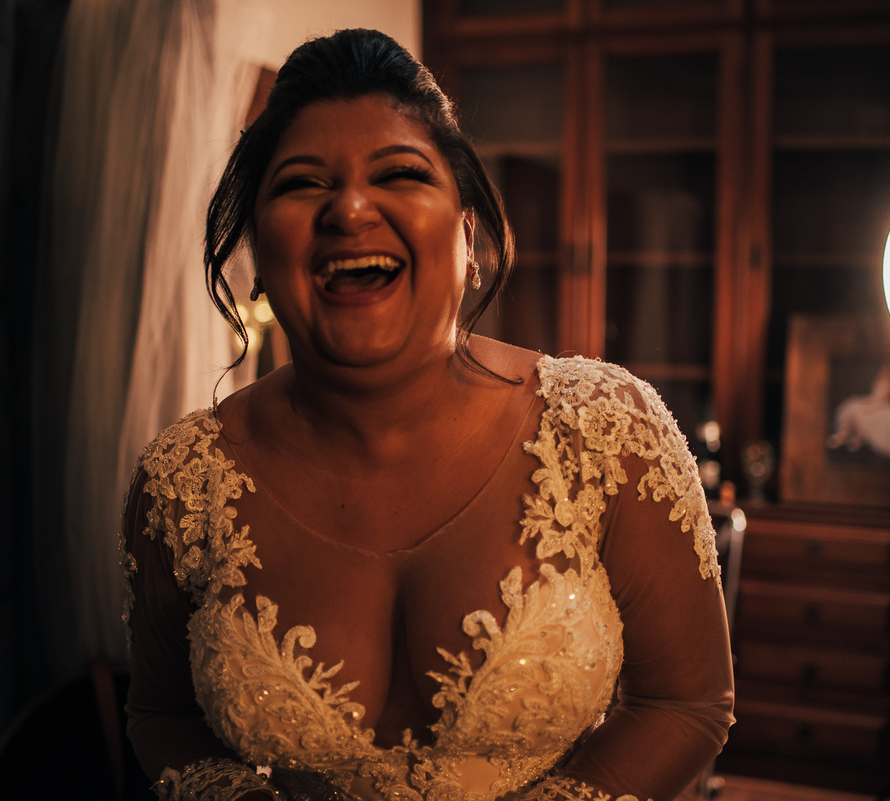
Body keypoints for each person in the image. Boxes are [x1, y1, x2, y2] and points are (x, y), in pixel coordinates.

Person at [120, 28, 734, 801]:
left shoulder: (610, 434)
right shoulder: (181, 483)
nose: (349, 208)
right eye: (302, 183)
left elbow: (685, 702)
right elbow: (160, 715)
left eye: (400, 173)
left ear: (469, 236)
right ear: (258, 252)